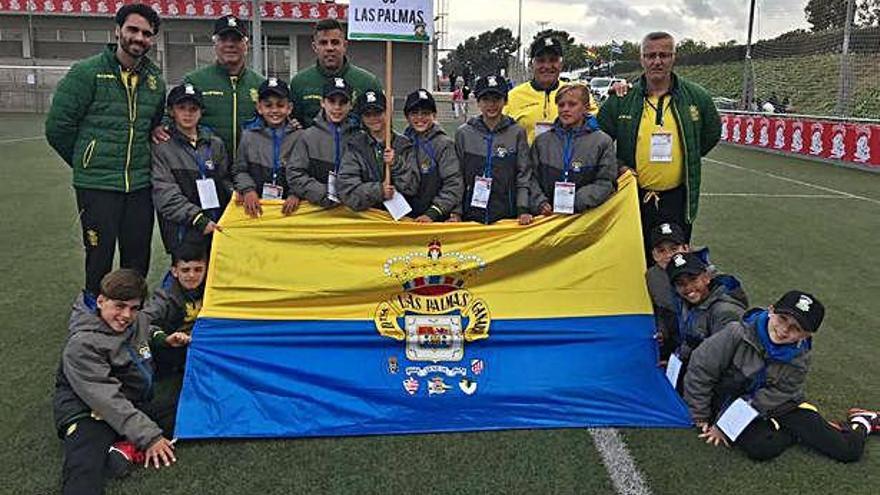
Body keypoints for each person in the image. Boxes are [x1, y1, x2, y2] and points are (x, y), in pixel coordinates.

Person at [45, 4, 166, 302]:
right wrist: (87, 161)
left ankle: (132, 313)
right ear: (118, 30)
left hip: (139, 184)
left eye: (146, 34)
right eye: (133, 30)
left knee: (137, 254)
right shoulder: (87, 73)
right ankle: (92, 312)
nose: (139, 38)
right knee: (98, 254)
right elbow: (58, 128)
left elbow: (156, 124)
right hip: (97, 185)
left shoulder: (155, 81)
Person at [685, 290, 880, 462]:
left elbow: (779, 393)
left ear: (806, 335)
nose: (784, 330)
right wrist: (700, 415)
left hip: (776, 403)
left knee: (848, 451)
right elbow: (701, 369)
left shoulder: (800, 358)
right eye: (782, 319)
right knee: (762, 448)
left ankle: (863, 421)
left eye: (796, 328)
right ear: (771, 310)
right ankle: (794, 433)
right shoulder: (736, 333)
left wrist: (727, 425)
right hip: (730, 397)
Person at [53, 269, 178, 495]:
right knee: (84, 467)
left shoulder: (135, 320)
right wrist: (150, 437)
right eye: (119, 306)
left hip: (129, 402)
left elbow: (143, 330)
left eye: (134, 308)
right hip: (88, 410)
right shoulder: (81, 345)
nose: (127, 315)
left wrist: (160, 337)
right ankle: (126, 442)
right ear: (101, 301)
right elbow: (107, 400)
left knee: (187, 411)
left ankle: (124, 447)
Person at [597, 31, 721, 257]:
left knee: (676, 262)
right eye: (650, 55)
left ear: (674, 57)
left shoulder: (696, 96)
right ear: (641, 59)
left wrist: (688, 155)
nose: (657, 61)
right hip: (632, 195)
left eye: (664, 55)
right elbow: (597, 141)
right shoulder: (623, 98)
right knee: (634, 257)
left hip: (678, 197)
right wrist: (619, 167)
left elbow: (712, 133)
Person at [154, 15, 264, 163]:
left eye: (236, 40)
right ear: (215, 44)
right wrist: (161, 126)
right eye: (224, 39)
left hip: (250, 171)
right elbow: (172, 115)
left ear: (246, 45)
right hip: (207, 168)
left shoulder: (260, 84)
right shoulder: (195, 81)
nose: (230, 45)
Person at [646, 222, 748, 363]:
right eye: (661, 251)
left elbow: (720, 356)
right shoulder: (653, 277)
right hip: (685, 346)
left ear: (686, 248)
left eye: (674, 249)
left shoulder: (717, 301)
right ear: (654, 254)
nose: (668, 255)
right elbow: (663, 311)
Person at [151, 83, 230, 253]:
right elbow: (165, 193)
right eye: (182, 108)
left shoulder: (215, 144)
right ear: (171, 111)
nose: (188, 113)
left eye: (193, 108)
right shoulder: (162, 146)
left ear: (201, 112)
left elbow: (225, 183)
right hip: (184, 229)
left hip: (215, 226)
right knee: (187, 274)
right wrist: (197, 219)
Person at [455, 74, 533, 225]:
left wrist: (522, 209)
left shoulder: (517, 132)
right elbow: (457, 177)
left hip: (506, 214)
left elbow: (523, 175)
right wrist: (456, 211)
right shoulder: (464, 133)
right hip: (470, 214)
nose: (491, 105)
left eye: (496, 99)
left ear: (505, 101)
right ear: (478, 102)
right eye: (485, 100)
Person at [529, 84, 616, 216]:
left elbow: (606, 182)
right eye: (561, 105)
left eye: (572, 104)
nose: (565, 109)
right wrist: (539, 202)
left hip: (583, 217)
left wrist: (577, 201)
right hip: (546, 216)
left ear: (586, 107)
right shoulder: (542, 141)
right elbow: (530, 177)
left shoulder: (602, 142)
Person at [664, 252, 746, 385]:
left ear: (707, 278)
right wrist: (677, 361)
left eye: (693, 279)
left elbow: (720, 363)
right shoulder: (687, 303)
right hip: (696, 369)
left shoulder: (725, 312)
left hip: (717, 382)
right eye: (681, 283)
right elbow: (691, 341)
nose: (688, 287)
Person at [289, 19, 383, 129]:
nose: (330, 48)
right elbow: (293, 124)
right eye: (323, 43)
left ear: (345, 45)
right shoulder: (299, 82)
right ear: (315, 47)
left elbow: (382, 127)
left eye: (335, 42)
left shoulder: (367, 82)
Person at [505, 35, 598, 144]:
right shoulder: (513, 96)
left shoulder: (578, 94)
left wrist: (618, 91)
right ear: (531, 64)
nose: (547, 66)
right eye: (541, 60)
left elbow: (596, 127)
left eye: (553, 60)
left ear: (561, 64)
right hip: (527, 160)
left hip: (568, 159)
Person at [338, 90, 418, 212]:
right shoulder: (355, 147)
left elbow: (412, 187)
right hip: (368, 218)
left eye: (378, 113)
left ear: (387, 112)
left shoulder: (404, 145)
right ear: (362, 117)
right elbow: (347, 191)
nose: (373, 118)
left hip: (401, 219)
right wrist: (378, 191)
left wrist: (396, 164)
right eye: (367, 115)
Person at [233, 78, 302, 218]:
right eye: (268, 105)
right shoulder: (248, 136)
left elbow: (306, 171)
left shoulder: (300, 136)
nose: (275, 110)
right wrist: (248, 190)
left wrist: (296, 193)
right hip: (257, 205)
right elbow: (239, 170)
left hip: (291, 207)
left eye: (280, 105)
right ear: (259, 108)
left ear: (289, 108)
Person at [288, 77, 361, 209]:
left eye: (343, 102)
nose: (337, 107)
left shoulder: (359, 138)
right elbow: (295, 174)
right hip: (317, 207)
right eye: (332, 101)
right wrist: (324, 193)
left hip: (351, 209)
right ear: (322, 102)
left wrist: (351, 193)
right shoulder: (307, 136)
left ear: (350, 105)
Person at [142, 243, 207, 378]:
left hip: (198, 337)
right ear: (174, 272)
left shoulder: (212, 289)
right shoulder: (164, 298)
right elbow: (141, 322)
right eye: (185, 270)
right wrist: (164, 339)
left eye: (198, 269)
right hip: (173, 344)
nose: (192, 275)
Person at [401, 89, 464, 223]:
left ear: (434, 115)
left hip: (435, 218)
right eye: (414, 113)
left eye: (425, 113)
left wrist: (432, 213)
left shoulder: (444, 144)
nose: (420, 118)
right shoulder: (400, 143)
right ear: (407, 116)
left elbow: (453, 183)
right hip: (406, 219)